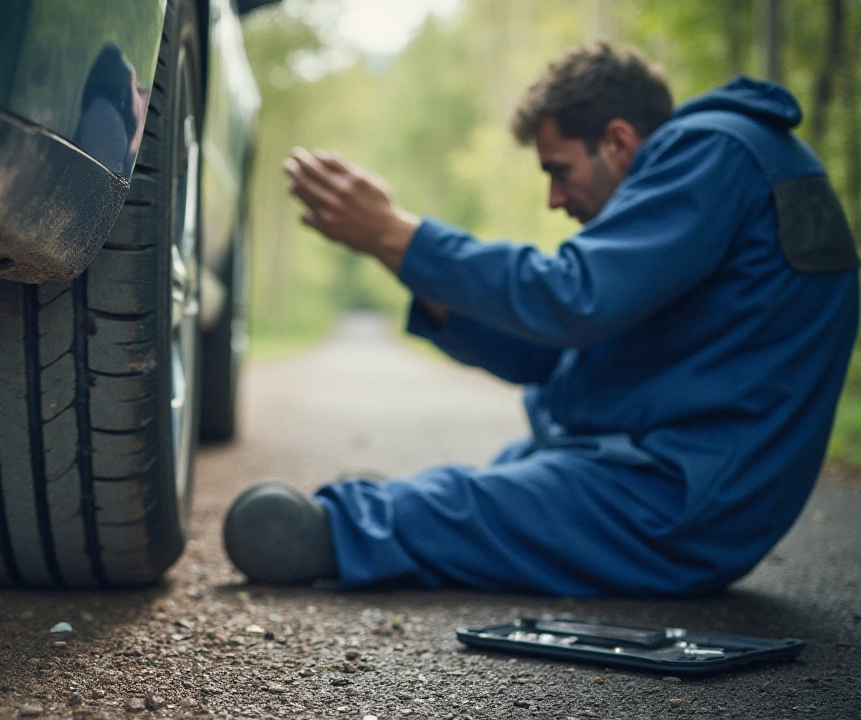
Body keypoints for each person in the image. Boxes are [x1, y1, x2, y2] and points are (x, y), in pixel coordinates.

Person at [222, 43, 859, 596]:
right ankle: (388, 523)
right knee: (491, 482)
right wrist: (404, 259)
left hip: (670, 503)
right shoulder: (714, 177)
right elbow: (556, 357)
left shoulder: (715, 151)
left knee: (455, 508)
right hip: (658, 477)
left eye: (559, 171)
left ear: (618, 141)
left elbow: (571, 298)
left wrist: (399, 233)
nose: (555, 200)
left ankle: (332, 533)